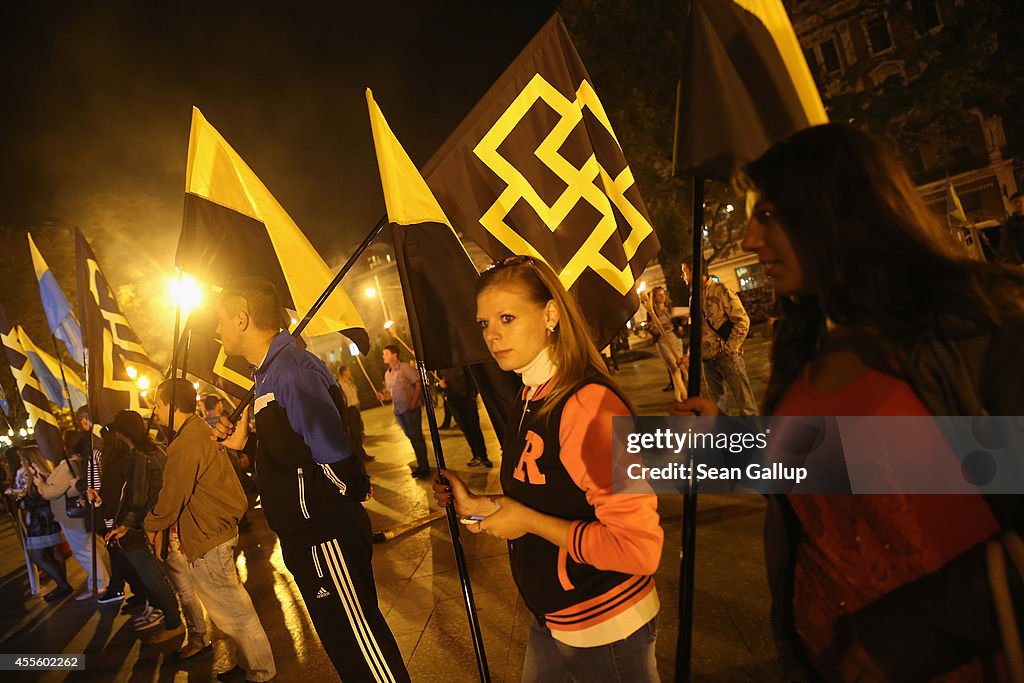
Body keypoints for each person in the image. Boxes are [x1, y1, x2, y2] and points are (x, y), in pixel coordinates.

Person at [676, 123, 1024, 682]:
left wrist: (912, 635)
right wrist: (717, 444)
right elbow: (831, 463)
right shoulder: (812, 334)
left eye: (768, 215)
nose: (747, 240)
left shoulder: (980, 326)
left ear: (835, 210)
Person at [433, 255, 663, 682]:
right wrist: (482, 505)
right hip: (553, 617)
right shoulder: (530, 394)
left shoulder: (586, 404)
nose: (493, 335)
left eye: (506, 317)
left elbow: (638, 549)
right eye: (484, 323)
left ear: (551, 313)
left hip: (605, 623)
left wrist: (527, 521)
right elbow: (546, 493)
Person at [211, 275, 409, 682]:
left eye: (220, 320)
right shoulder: (265, 374)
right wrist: (247, 445)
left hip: (323, 532)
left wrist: (339, 499)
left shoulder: (290, 370)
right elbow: (292, 452)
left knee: (361, 642)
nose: (216, 330)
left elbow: (330, 449)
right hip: (306, 533)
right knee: (343, 644)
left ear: (242, 319)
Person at [146, 378, 275, 675]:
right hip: (213, 531)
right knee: (230, 610)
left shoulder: (187, 440)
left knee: (235, 612)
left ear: (171, 405)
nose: (154, 409)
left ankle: (261, 672)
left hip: (209, 535)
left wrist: (151, 523)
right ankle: (248, 664)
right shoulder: (197, 430)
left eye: (158, 402)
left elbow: (171, 496)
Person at [96, 410, 185, 644]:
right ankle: (177, 622)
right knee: (167, 578)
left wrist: (126, 525)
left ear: (121, 432)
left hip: (145, 526)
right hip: (157, 521)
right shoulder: (157, 449)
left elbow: (137, 497)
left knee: (153, 579)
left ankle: (174, 623)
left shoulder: (140, 455)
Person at [34, 430, 111, 601]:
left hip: (72, 516)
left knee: (84, 551)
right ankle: (103, 580)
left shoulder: (68, 465)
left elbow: (51, 492)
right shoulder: (80, 462)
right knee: (93, 547)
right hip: (80, 513)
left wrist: (40, 484)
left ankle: (98, 584)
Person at [682, 260, 757, 415]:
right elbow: (697, 331)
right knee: (717, 408)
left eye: (685, 271)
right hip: (707, 360)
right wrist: (689, 355)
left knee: (746, 405)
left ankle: (754, 436)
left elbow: (742, 321)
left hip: (727, 357)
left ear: (695, 271)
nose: (682, 276)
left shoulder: (721, 290)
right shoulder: (693, 299)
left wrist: (730, 348)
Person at [6, 446, 73, 601]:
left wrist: (10, 492)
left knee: (37, 555)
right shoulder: (47, 469)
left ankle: (63, 585)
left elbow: (20, 491)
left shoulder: (25, 472)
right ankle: (63, 584)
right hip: (51, 514)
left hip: (38, 517)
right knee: (56, 551)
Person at [377, 344, 431, 479]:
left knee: (416, 437)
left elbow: (418, 383)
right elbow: (392, 394)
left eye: (386, 353)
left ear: (394, 355)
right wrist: (384, 397)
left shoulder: (405, 368)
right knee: (412, 437)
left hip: (411, 409)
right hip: (399, 411)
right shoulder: (387, 374)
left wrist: (413, 402)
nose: (383, 356)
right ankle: (421, 464)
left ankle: (425, 467)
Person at [438, 366, 492, 468]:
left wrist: (472, 396)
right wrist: (440, 385)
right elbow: (437, 385)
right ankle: (476, 455)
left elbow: (472, 380)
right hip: (453, 402)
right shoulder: (440, 368)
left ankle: (483, 456)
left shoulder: (462, 364)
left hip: (467, 400)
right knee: (466, 430)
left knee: (474, 428)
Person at [646, 285, 687, 394]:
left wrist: (683, 319)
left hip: (675, 339)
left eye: (663, 294)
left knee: (679, 367)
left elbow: (680, 323)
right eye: (659, 295)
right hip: (663, 341)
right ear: (654, 297)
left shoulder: (670, 308)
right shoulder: (652, 312)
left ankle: (678, 396)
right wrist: (662, 327)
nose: (662, 297)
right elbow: (652, 329)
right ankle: (685, 394)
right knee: (673, 367)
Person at [337, 366, 375, 462]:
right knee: (354, 434)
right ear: (343, 372)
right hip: (349, 411)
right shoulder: (340, 384)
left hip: (355, 409)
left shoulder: (350, 382)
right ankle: (359, 455)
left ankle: (361, 453)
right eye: (348, 370)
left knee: (359, 432)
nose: (350, 372)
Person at [999, 189, 1024, 265]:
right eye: (1015, 202)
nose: (1018, 204)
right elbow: (1009, 246)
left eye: (1020, 201)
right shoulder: (1011, 224)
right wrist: (1019, 262)